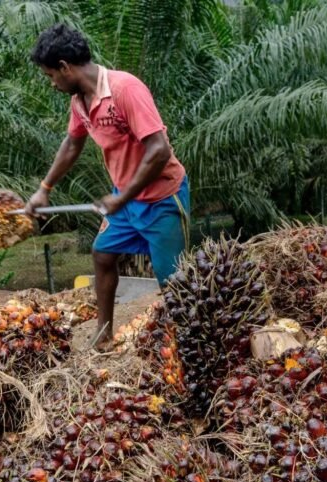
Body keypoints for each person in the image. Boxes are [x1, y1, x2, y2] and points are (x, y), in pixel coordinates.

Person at [25, 24, 190, 351]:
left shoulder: (125, 89)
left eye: (50, 76)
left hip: (161, 199)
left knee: (172, 281)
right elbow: (72, 145)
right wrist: (44, 188)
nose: (51, 83)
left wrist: (121, 197)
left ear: (64, 67)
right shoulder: (80, 101)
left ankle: (187, 347)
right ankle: (104, 334)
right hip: (125, 200)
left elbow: (159, 150)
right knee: (102, 253)